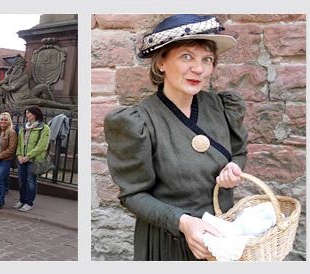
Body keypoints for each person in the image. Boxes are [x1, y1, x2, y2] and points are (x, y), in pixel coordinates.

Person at [105, 14, 247, 261]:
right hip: (169, 244)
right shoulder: (139, 122)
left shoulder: (221, 107)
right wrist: (183, 222)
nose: (199, 69)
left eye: (207, 59)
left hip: (222, 239)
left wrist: (234, 168)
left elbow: (238, 152)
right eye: (186, 57)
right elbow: (133, 196)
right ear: (161, 62)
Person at [15, 106, 50, 212]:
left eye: (29, 113)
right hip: (22, 159)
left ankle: (29, 202)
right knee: (22, 181)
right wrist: (19, 155)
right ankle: (22, 200)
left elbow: (42, 146)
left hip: (33, 160)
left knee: (31, 181)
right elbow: (20, 143)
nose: (27, 115)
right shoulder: (23, 127)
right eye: (26, 113)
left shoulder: (44, 128)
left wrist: (28, 156)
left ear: (35, 114)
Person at [0, 113, 18, 213]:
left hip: (4, 160)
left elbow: (11, 149)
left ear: (9, 121)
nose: (3, 122)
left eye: (5, 120)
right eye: (1, 120)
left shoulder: (12, 133)